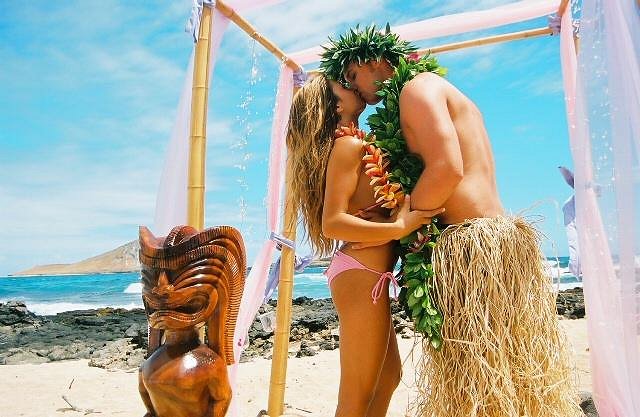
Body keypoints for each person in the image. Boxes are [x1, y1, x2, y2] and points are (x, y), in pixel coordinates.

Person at [320, 25, 580, 417]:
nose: (354, 87)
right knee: (503, 376)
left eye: (354, 75)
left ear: (373, 61)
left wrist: (407, 221)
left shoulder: (416, 90)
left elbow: (447, 169)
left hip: (472, 247)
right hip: (496, 240)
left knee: (486, 378)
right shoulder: (441, 90)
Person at [286, 74, 444, 417]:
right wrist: (398, 226)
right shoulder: (348, 146)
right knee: (356, 397)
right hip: (360, 274)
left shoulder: (358, 144)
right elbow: (332, 223)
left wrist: (390, 225)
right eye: (342, 84)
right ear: (336, 106)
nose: (352, 83)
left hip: (367, 273)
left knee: (388, 378)